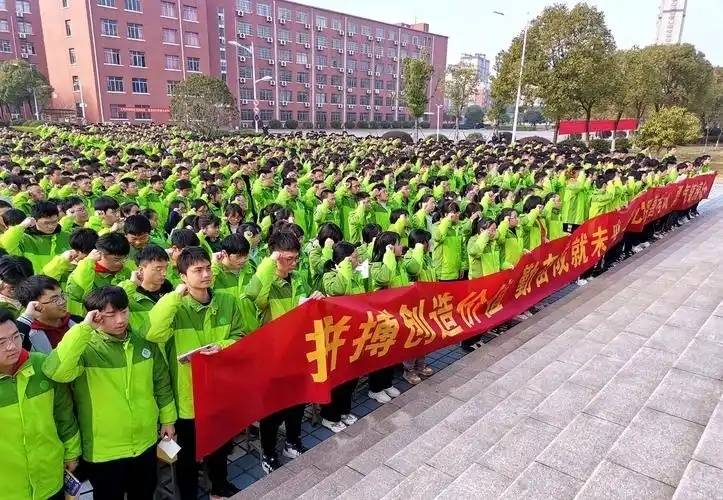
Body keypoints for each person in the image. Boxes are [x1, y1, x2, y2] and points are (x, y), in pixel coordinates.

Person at [43, 286, 176, 500]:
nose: (120, 320)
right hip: (104, 449)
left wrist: (168, 420)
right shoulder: (85, 349)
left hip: (146, 441)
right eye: (110, 315)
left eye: (124, 311)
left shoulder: (143, 343)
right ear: (95, 316)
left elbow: (161, 383)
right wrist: (84, 328)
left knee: (144, 493)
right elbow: (56, 371)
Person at [145, 247, 247, 499]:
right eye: (197, 270)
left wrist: (222, 346)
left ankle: (219, 487)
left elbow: (240, 335)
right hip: (187, 394)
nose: (206, 274)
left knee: (220, 445)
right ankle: (189, 494)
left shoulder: (227, 301)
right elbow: (153, 333)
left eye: (208, 268)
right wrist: (173, 297)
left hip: (220, 389)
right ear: (182, 276)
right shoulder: (175, 308)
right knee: (187, 455)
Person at [245, 231, 320, 474]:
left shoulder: (298, 279)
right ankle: (268, 453)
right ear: (275, 257)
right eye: (288, 259)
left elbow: (305, 308)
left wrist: (316, 299)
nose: (293, 263)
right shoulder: (266, 284)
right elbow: (253, 296)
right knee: (273, 409)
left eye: (296, 258)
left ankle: (292, 442)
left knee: (298, 402)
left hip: (298, 351)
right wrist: (269, 264)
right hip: (273, 357)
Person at [0, 308, 82, 500]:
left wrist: (72, 453)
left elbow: (64, 414)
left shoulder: (41, 365)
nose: (12, 347)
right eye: (1, 343)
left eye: (16, 337)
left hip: (50, 477)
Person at [319, 241, 365, 432]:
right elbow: (339, 291)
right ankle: (330, 416)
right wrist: (345, 267)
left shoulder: (356, 275)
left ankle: (344, 410)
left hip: (355, 331)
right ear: (344, 260)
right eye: (354, 257)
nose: (357, 259)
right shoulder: (329, 276)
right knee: (337, 377)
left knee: (352, 375)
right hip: (337, 334)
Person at [367, 231, 407, 403]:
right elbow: (385, 278)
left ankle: (387, 383)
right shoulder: (376, 266)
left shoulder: (399, 263)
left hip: (397, 314)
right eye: (397, 244)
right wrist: (389, 255)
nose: (401, 246)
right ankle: (375, 388)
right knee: (380, 354)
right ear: (389, 247)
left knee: (392, 352)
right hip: (382, 318)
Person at [66, 232, 131, 315]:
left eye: (125, 258)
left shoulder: (127, 271)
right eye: (117, 259)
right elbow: (75, 303)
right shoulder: (83, 273)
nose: (122, 263)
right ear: (100, 254)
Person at [16, 275, 83, 353]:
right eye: (55, 300)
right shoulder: (28, 337)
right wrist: (27, 316)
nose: (63, 301)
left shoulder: (78, 321)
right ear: (36, 306)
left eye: (62, 295)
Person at [118, 244, 174, 335]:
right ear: (141, 270)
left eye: (166, 268)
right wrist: (131, 283)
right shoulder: (130, 295)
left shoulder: (173, 291)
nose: (164, 273)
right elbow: (111, 301)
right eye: (158, 269)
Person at [0, 201, 71, 272]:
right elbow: (5, 246)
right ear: (35, 220)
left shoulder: (67, 236)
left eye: (54, 222)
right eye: (46, 223)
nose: (51, 226)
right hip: (35, 278)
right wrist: (22, 226)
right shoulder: (23, 239)